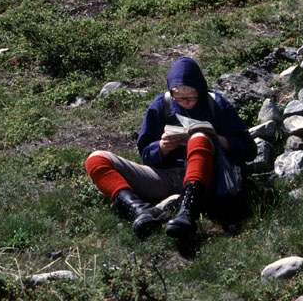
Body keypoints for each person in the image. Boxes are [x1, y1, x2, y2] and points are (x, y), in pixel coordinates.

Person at [85, 57, 255, 239]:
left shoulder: (217, 104)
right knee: (96, 159)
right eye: (179, 98)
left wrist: (216, 139)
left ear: (201, 89)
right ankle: (140, 210)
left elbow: (249, 150)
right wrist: (161, 147)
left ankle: (188, 212)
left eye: (191, 97)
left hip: (207, 180)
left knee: (198, 138)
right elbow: (145, 154)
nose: (185, 103)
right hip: (165, 177)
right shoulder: (162, 104)